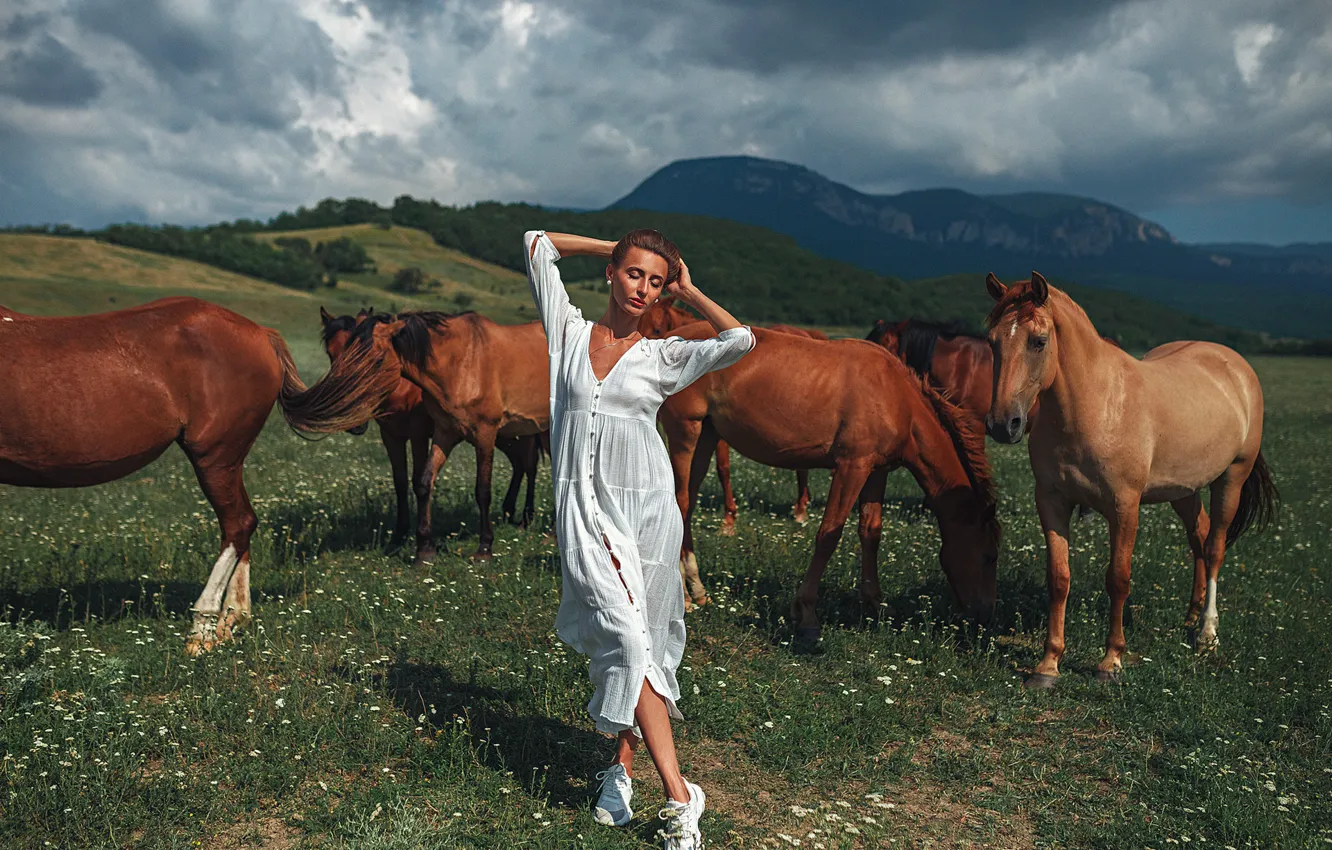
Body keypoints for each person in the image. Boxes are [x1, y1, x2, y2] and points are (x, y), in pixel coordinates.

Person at [524, 228, 754, 849]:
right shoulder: (568, 334)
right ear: (611, 274)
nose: (642, 291)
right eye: (633, 275)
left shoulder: (664, 356)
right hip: (583, 512)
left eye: (655, 283)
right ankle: (683, 800)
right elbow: (537, 242)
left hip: (649, 515)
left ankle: (620, 770)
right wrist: (614, 245)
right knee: (626, 638)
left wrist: (689, 289)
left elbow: (740, 339)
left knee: (643, 642)